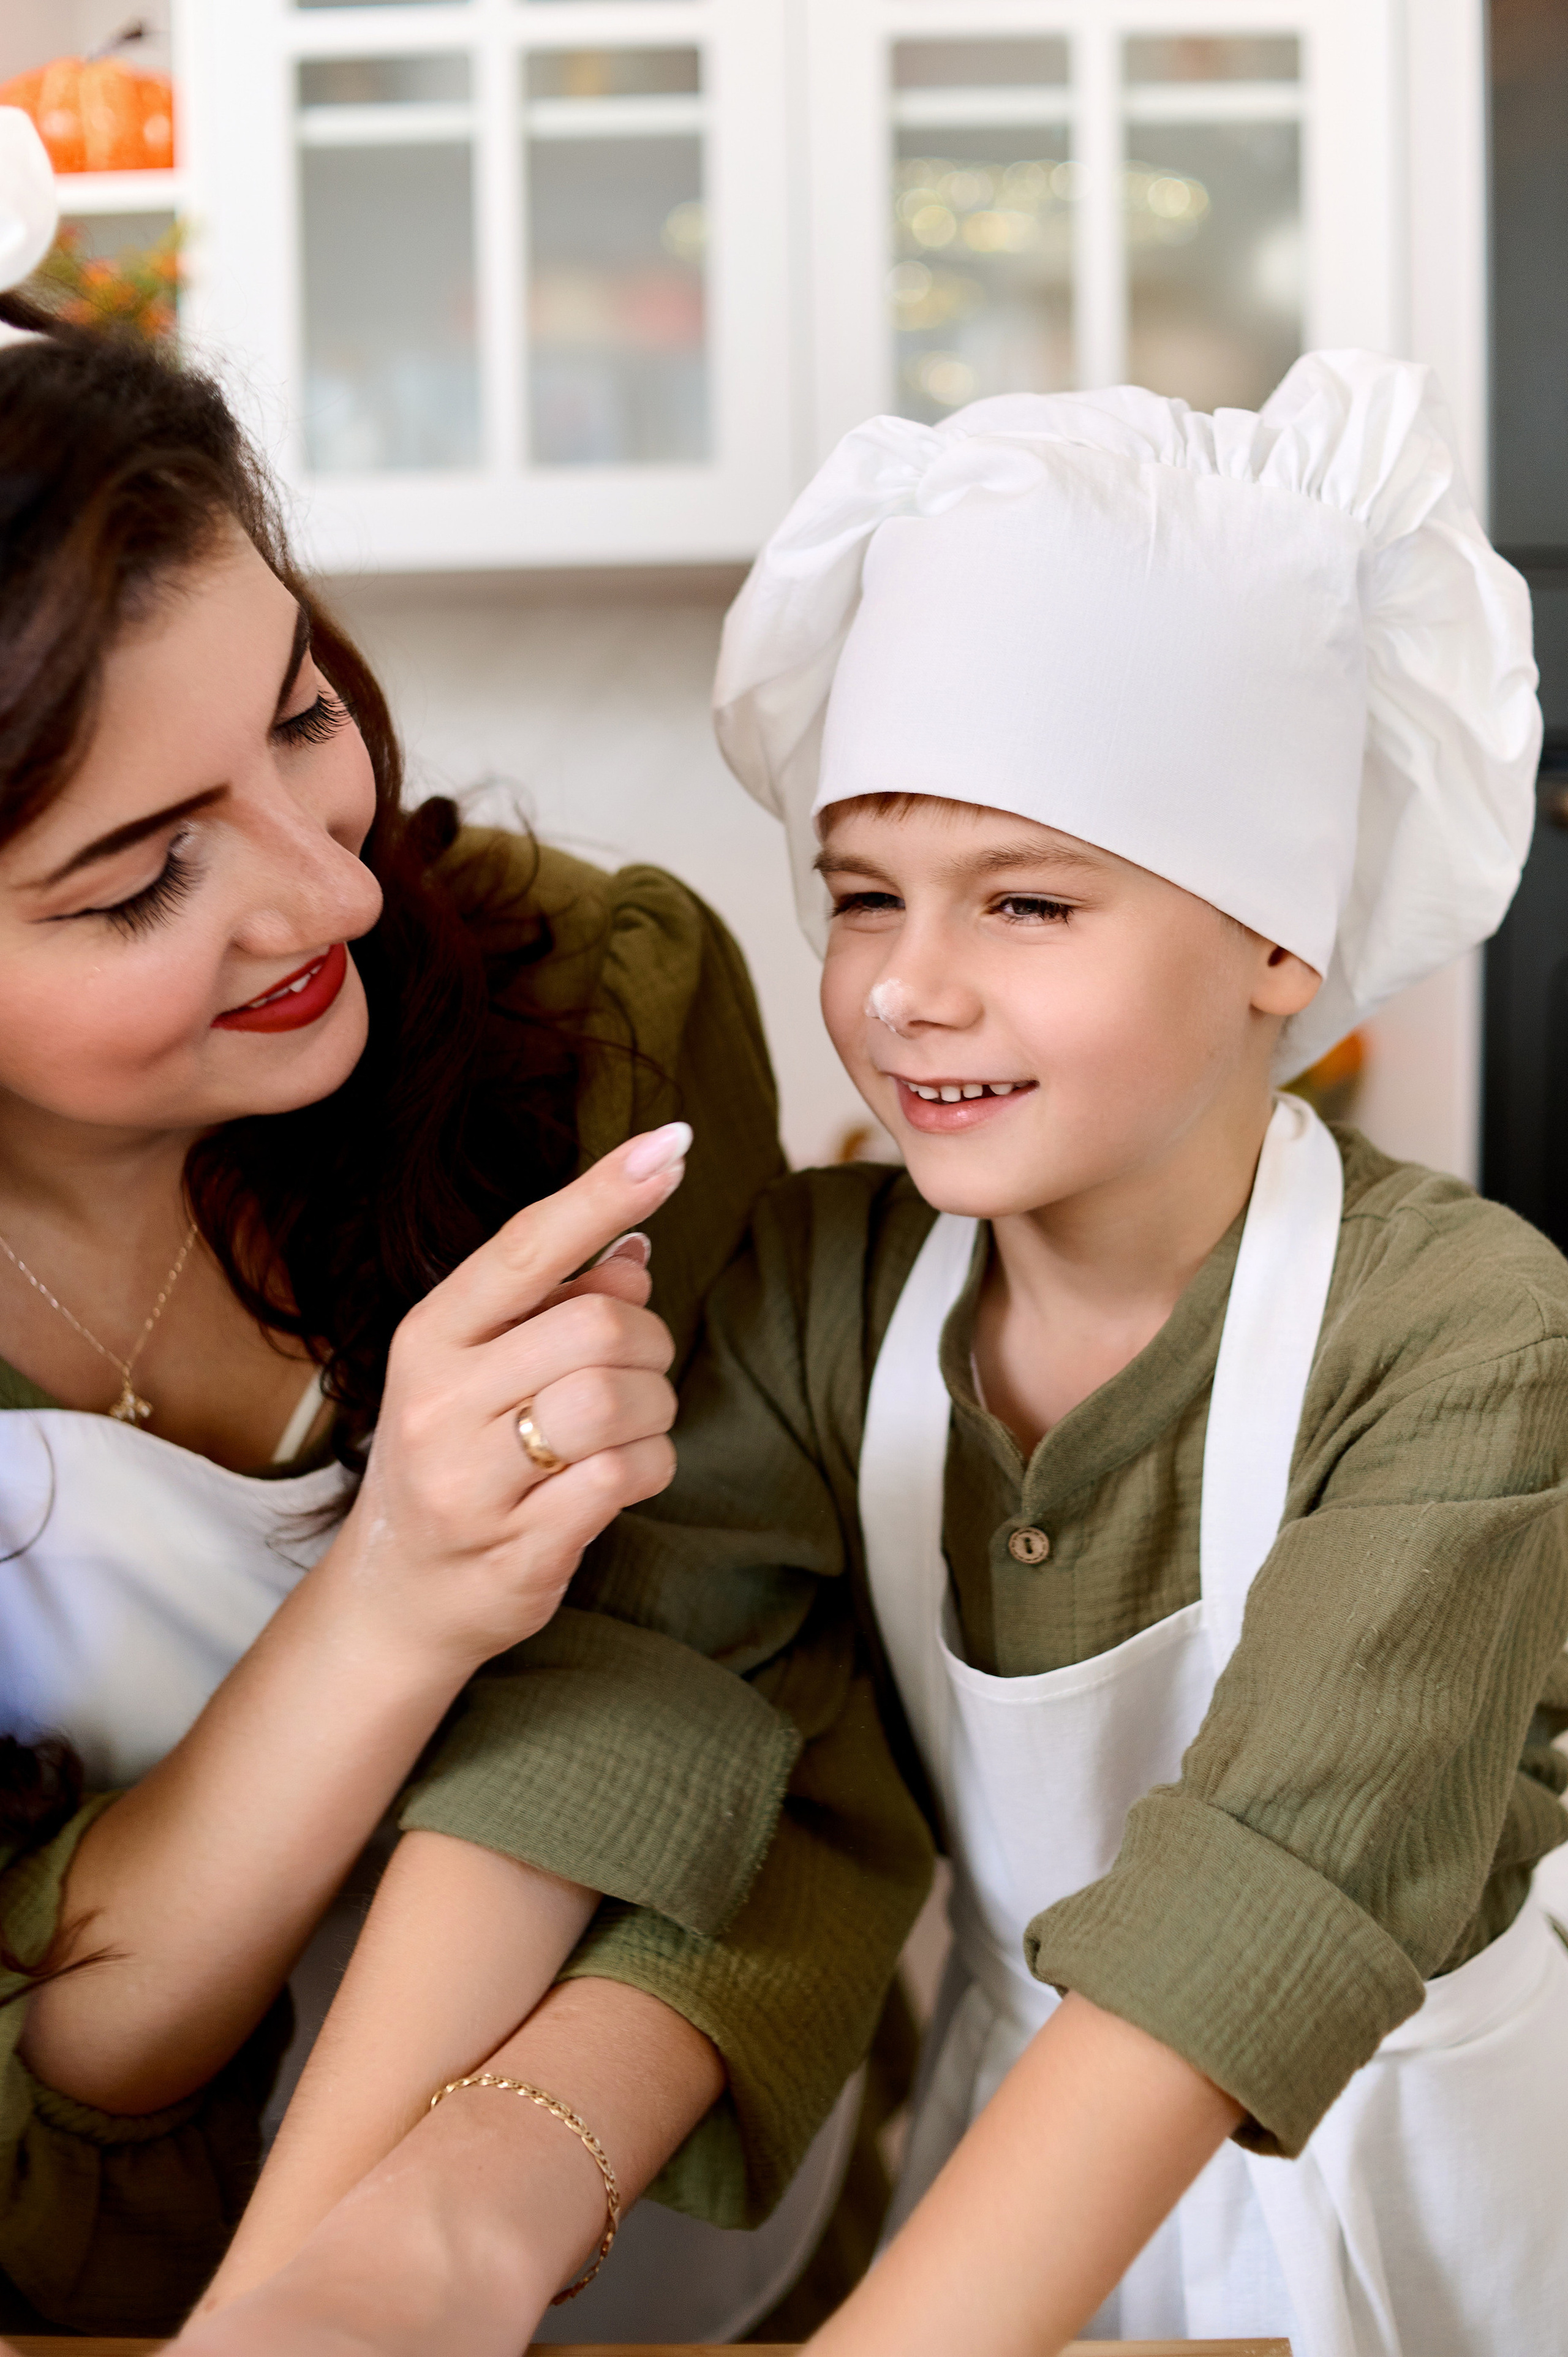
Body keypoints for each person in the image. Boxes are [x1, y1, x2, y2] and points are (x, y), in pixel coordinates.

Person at [178, 351, 1568, 2357]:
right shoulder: (822, 1294)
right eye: (860, 897)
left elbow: (1264, 1896)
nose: (911, 988)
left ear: (1282, 936)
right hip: (1010, 2180)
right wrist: (343, 2259)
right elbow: (630, 1719)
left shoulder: (1464, 1336)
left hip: (1422, 2199)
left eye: (1026, 903)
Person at [0, 109, 789, 2336]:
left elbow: (767, 1727)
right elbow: (37, 2149)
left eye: (301, 715)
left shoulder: (594, 1018)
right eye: (141, 877)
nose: (331, 889)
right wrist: (396, 1597)